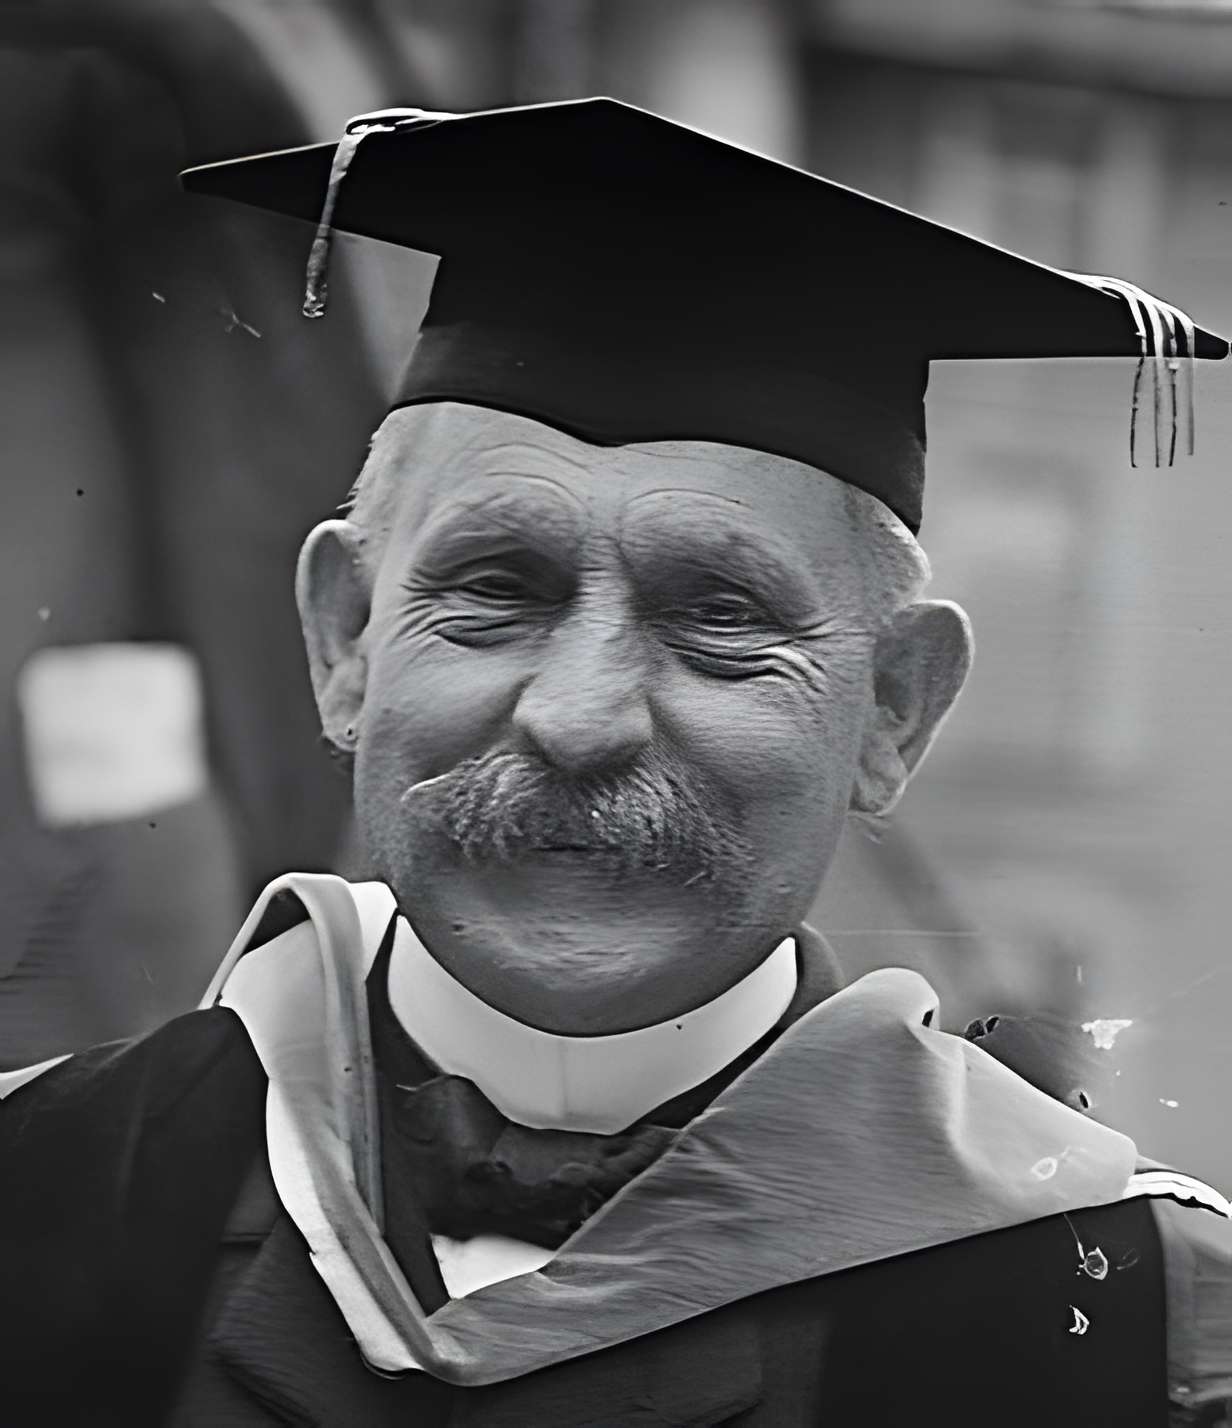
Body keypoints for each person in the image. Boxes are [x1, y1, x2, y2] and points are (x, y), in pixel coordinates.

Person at [3, 97, 1231, 1427]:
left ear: (894, 708)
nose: (580, 719)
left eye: (721, 615)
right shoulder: (38, 1188)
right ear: (346, 639)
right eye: (496, 587)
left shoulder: (1141, 1328)